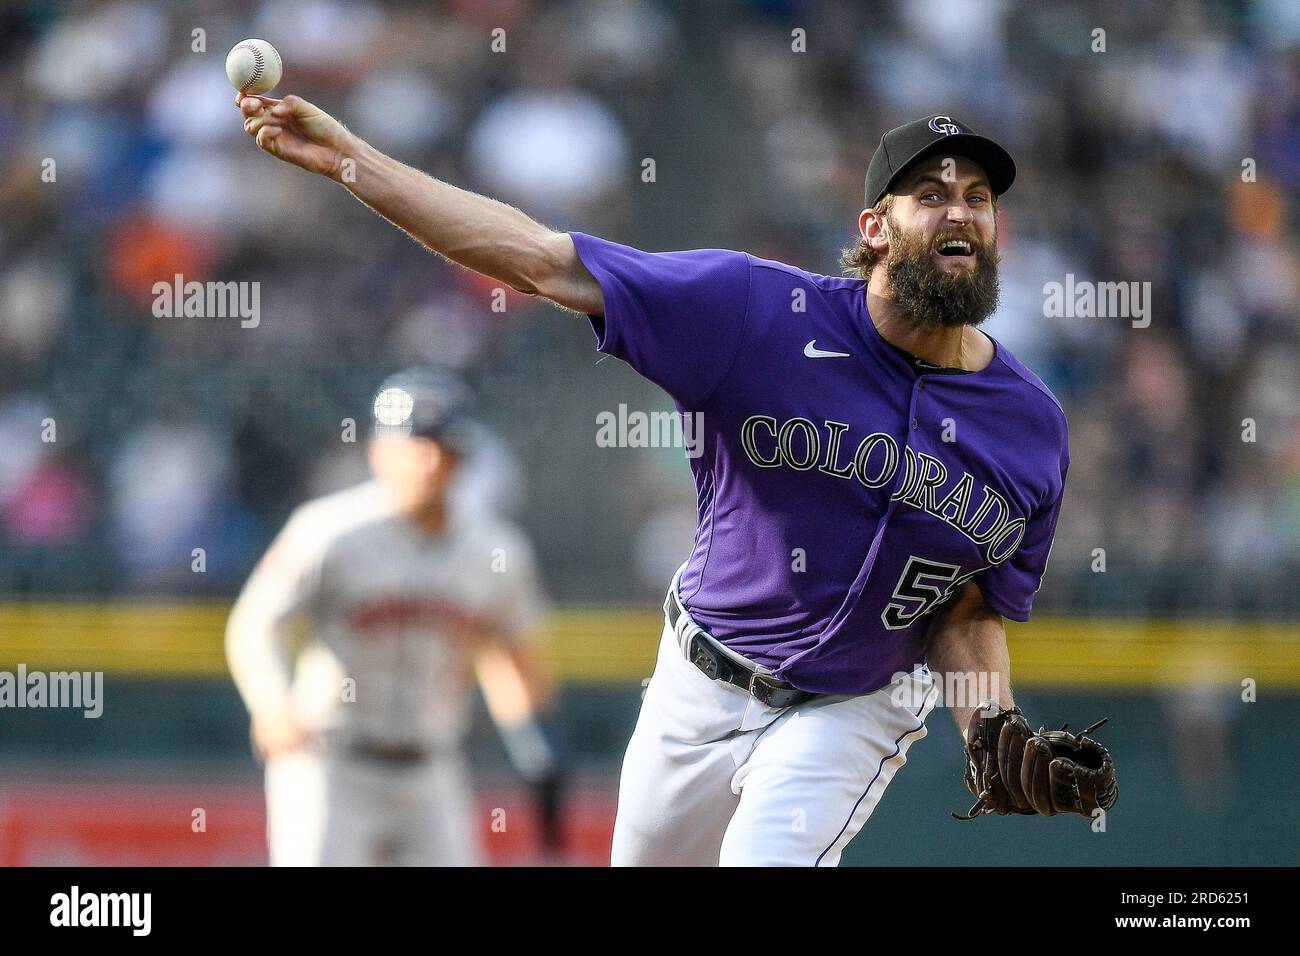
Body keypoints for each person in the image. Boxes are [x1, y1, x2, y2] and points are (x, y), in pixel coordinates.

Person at [235, 94, 1078, 865]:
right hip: (699, 682)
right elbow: (537, 260)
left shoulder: (1032, 429)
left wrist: (989, 724)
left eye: (979, 197)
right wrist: (352, 159)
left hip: (852, 710)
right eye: (931, 194)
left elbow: (968, 609)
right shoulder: (751, 311)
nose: (961, 209)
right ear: (875, 227)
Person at [226, 368, 560, 866]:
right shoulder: (329, 530)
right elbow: (254, 624)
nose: (427, 460)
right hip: (331, 763)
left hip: (432, 768)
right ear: (379, 452)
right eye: (413, 444)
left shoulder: (498, 550)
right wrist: (271, 702)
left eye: (440, 445)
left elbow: (513, 658)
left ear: (461, 456)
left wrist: (537, 741)